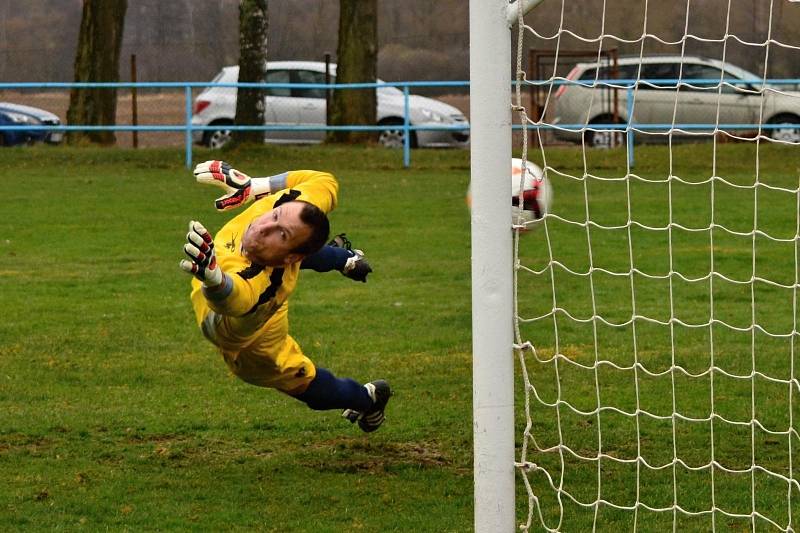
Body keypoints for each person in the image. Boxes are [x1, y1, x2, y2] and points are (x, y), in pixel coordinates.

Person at [179, 160, 390, 432]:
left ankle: (368, 398)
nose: (264, 226)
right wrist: (256, 185)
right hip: (271, 273)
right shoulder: (286, 206)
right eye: (276, 217)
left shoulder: (261, 282)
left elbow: (237, 300)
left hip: (250, 340)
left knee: (302, 381)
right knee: (294, 241)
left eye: (280, 233)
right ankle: (345, 259)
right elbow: (325, 181)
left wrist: (215, 280)